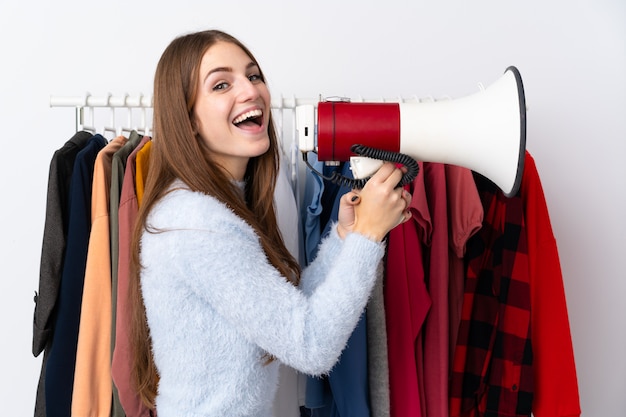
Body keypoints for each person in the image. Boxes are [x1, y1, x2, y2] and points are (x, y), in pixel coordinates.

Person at [128, 29, 412, 417]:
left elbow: (289, 312)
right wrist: (369, 234)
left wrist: (346, 236)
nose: (249, 91)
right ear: (188, 118)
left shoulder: (215, 205)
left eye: (254, 76)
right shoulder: (196, 224)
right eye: (222, 84)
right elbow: (310, 345)